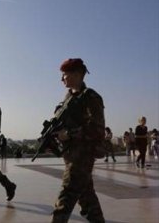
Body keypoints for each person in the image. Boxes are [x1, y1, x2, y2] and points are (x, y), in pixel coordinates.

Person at [51, 58, 105, 223]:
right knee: (87, 200)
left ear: (76, 74)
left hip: (82, 157)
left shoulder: (91, 97)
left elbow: (97, 129)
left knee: (65, 198)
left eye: (65, 75)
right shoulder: (68, 98)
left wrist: (69, 134)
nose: (62, 79)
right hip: (70, 155)